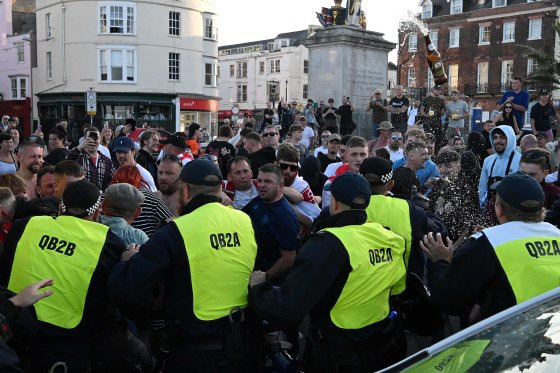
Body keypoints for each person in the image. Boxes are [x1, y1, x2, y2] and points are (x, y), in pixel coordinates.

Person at [107, 159, 261, 371]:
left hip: (195, 352)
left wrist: (124, 262)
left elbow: (127, 289)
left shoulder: (176, 232)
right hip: (243, 345)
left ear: (186, 190)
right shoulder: (244, 221)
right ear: (220, 189)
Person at [249, 172, 407, 372]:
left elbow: (287, 307)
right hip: (382, 345)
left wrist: (258, 288)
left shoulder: (328, 243)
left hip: (339, 353)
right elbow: (397, 290)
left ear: (334, 203)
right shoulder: (390, 237)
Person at [0, 180, 150, 372]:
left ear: (61, 208)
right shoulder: (110, 244)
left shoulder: (23, 225)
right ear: (97, 213)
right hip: (67, 344)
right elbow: (116, 299)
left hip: (14, 329)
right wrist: (127, 265)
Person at [422, 172, 560, 323]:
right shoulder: (556, 233)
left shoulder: (487, 242)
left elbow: (448, 302)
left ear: (499, 210)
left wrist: (441, 261)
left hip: (507, 337)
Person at [243, 164, 299, 284]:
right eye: (259, 180)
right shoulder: (258, 201)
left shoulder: (285, 216)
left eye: (268, 181)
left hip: (271, 285)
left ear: (280, 186)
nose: (261, 185)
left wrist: (264, 277)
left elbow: (288, 258)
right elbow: (239, 218)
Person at [430, 150, 480, 242]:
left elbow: (469, 225)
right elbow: (432, 210)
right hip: (438, 238)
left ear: (458, 167)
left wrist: (454, 248)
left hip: (457, 242)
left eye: (448, 166)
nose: (442, 170)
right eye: (439, 166)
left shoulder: (466, 190)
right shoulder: (438, 185)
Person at [111, 165, 173, 237]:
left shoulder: (106, 197)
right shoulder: (149, 197)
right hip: (147, 245)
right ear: (138, 179)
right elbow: (172, 222)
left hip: (111, 245)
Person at [277, 144, 321, 227]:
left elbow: (312, 222)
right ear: (276, 164)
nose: (288, 171)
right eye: (284, 166)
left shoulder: (300, 185)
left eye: (293, 168)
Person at [479, 125, 522, 208]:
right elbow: (482, 187)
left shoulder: (520, 160)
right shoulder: (488, 160)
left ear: (510, 139)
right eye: (495, 137)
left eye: (502, 137)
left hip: (512, 210)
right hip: (491, 209)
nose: (497, 141)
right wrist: (483, 206)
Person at [67, 126, 115, 191]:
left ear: (100, 140)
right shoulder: (78, 157)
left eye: (96, 138)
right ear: (84, 140)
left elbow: (115, 180)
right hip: (81, 198)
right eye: (90, 138)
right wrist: (80, 146)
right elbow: (65, 165)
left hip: (100, 199)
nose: (93, 141)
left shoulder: (107, 161)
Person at [420, 85, 447, 152]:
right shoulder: (427, 99)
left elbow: (443, 112)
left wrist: (443, 112)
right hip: (428, 122)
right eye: (437, 89)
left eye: (439, 90)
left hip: (437, 122)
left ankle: (435, 153)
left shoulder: (441, 100)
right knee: (427, 138)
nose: (438, 91)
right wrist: (426, 115)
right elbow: (421, 110)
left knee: (437, 140)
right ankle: (426, 152)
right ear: (433, 90)